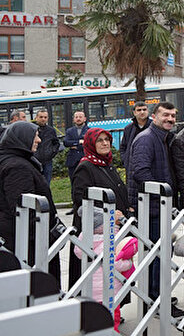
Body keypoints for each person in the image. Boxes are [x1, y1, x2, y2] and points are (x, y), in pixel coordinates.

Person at [127, 101, 184, 317]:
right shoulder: (147, 139)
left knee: (158, 257)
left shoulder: (163, 139)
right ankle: (158, 302)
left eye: (172, 115)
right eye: (165, 115)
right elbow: (140, 172)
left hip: (159, 207)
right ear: (154, 117)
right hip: (152, 209)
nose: (170, 119)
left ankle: (156, 297)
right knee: (158, 258)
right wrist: (164, 195)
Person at [68, 128, 129, 287]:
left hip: (111, 229)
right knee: (97, 280)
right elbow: (81, 200)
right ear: (90, 144)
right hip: (95, 234)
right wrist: (108, 213)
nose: (105, 143)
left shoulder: (106, 163)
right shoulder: (86, 167)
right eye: (100, 140)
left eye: (107, 139)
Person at [0, 121, 61, 282]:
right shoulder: (17, 167)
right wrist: (45, 238)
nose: (39, 140)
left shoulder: (13, 161)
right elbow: (24, 210)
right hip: (30, 247)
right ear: (22, 139)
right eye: (35, 136)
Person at [73, 206, 136, 332]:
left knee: (95, 318)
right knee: (112, 318)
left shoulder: (84, 239)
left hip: (91, 289)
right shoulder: (108, 241)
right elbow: (116, 264)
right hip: (109, 289)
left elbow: (77, 252)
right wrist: (128, 264)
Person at [119, 102, 151, 175]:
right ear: (134, 112)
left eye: (144, 109)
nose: (142, 112)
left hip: (149, 166)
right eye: (139, 110)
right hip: (131, 168)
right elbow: (123, 147)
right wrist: (125, 160)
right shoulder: (128, 128)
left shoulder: (153, 126)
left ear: (148, 111)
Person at [34, 109, 60, 185]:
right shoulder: (31, 128)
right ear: (36, 117)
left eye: (45, 117)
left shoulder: (51, 130)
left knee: (46, 183)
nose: (43, 119)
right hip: (34, 161)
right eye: (41, 117)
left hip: (47, 161)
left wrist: (52, 153)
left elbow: (56, 143)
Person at [64, 111, 89, 181]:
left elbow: (88, 144)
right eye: (76, 117)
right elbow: (66, 143)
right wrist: (79, 142)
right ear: (74, 119)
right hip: (72, 161)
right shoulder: (69, 131)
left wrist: (75, 146)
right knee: (73, 181)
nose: (78, 119)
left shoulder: (89, 130)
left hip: (85, 160)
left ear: (85, 119)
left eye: (80, 117)